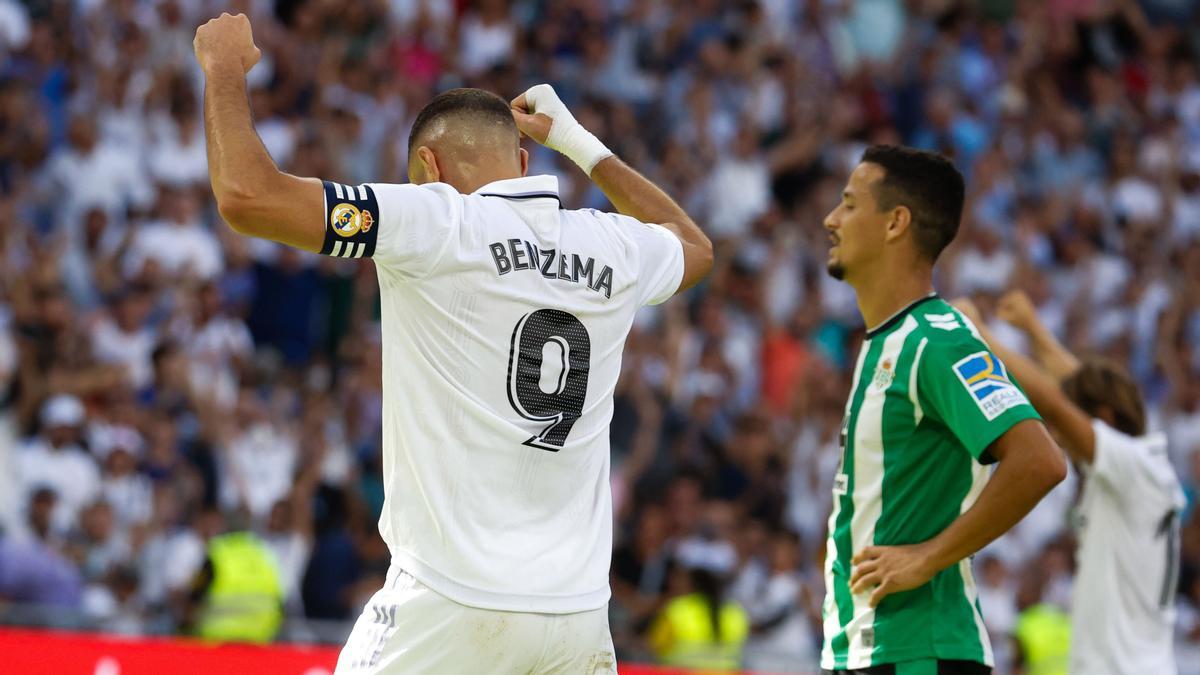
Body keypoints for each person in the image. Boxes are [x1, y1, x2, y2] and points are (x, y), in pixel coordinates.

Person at [193, 12, 712, 674]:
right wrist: (580, 142)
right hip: (576, 614)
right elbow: (694, 246)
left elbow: (247, 197)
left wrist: (223, 68)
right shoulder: (609, 243)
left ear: (425, 167)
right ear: (524, 162)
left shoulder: (435, 219)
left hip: (448, 604)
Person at [818, 146, 1067, 674]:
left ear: (895, 223)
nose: (830, 219)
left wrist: (927, 557)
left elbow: (1039, 460)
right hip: (868, 649)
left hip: (917, 651)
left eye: (849, 204)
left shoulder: (938, 339)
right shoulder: (886, 342)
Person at [955, 290, 1185, 675]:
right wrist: (1035, 331)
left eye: (1074, 429)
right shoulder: (1143, 465)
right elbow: (1081, 391)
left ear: (1105, 419)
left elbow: (1059, 407)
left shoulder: (1134, 467)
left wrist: (981, 335)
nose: (1060, 436)